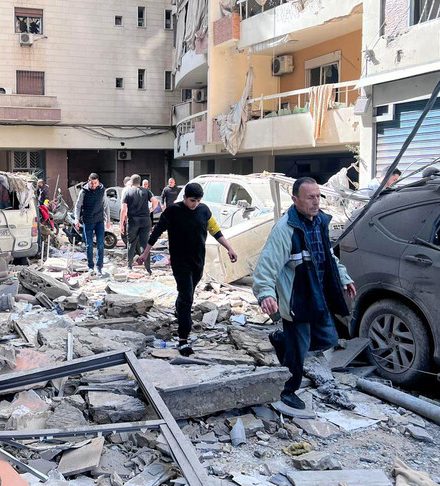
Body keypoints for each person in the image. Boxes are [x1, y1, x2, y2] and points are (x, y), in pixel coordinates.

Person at [252, 177, 356, 410]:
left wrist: (343, 277)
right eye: (310, 197)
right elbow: (266, 266)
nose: (316, 201)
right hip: (296, 298)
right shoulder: (285, 229)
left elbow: (329, 257)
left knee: (327, 338)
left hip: (317, 295)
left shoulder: (319, 222)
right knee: (298, 351)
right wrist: (266, 294)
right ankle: (287, 390)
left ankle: (282, 341)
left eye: (318, 196)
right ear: (295, 199)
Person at [138, 182, 237, 356]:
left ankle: (179, 310)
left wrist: (229, 248)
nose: (195, 204)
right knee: (187, 297)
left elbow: (215, 231)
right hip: (180, 262)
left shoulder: (204, 211)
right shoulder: (173, 211)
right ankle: (183, 339)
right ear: (184, 197)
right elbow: (157, 232)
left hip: (197, 261)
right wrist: (145, 253)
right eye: (192, 200)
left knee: (187, 294)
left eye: (198, 201)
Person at [74, 173, 111, 276]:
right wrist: (76, 219)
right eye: (92, 183)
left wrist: (108, 220)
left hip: (99, 221)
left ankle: (99, 267)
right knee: (89, 245)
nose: (93, 185)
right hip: (88, 221)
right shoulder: (83, 191)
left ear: (98, 182)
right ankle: (91, 267)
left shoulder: (102, 190)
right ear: (88, 181)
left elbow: (106, 205)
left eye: (95, 183)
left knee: (100, 244)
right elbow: (78, 206)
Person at [121, 174, 158, 274]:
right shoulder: (146, 191)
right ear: (140, 182)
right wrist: (151, 210)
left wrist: (121, 224)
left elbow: (123, 209)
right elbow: (155, 202)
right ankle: (148, 268)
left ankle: (129, 265)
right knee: (145, 244)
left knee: (131, 243)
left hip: (133, 221)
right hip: (145, 220)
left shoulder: (127, 191)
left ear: (131, 182)